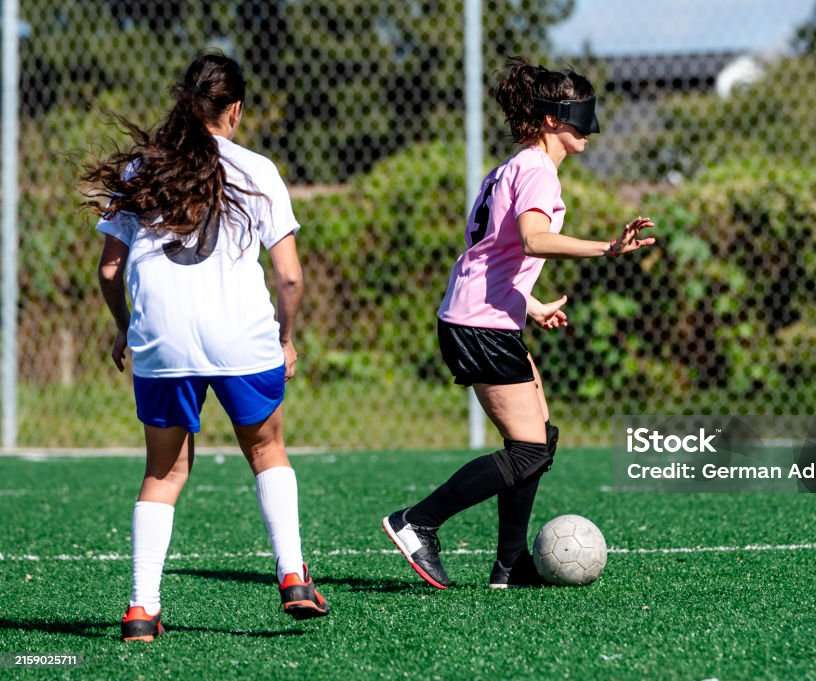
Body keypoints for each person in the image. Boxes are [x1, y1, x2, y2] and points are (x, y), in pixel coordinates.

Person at [382, 58, 655, 589]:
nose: (587, 126)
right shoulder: (536, 170)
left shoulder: (512, 166)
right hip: (478, 324)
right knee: (527, 449)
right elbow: (530, 238)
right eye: (578, 114)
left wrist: (529, 304)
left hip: (486, 318)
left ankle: (510, 566)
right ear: (552, 119)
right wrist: (607, 247)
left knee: (539, 442)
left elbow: (492, 253)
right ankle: (417, 521)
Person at [84, 53, 329, 641]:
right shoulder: (258, 169)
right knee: (267, 450)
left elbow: (110, 272)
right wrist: (287, 339)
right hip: (241, 335)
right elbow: (290, 276)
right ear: (235, 109)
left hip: (162, 341)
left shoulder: (142, 170)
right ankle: (293, 576)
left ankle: (142, 609)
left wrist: (125, 327)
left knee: (163, 473)